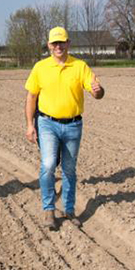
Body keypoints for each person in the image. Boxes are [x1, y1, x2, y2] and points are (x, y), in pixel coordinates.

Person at [25, 26, 104, 231]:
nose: (58, 46)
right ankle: (49, 210)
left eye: (62, 42)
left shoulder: (80, 66)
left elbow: (96, 92)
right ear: (49, 45)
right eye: (54, 43)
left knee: (69, 169)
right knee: (49, 164)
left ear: (68, 43)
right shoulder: (40, 68)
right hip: (47, 123)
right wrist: (29, 125)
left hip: (73, 125)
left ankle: (69, 210)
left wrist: (98, 91)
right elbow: (31, 97)